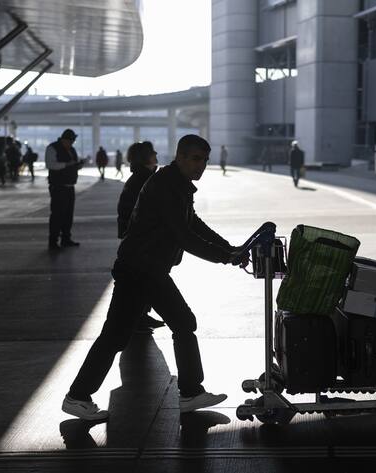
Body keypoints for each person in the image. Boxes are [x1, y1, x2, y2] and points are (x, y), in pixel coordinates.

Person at [62, 134, 249, 421]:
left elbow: (193, 223)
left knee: (135, 332)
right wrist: (226, 256)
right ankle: (79, 396)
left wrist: (229, 248)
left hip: (147, 268)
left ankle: (189, 392)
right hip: (141, 270)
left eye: (205, 160)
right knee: (140, 331)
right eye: (196, 159)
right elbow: (184, 235)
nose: (201, 165)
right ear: (181, 156)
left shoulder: (177, 184)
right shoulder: (166, 186)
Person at [117, 141, 166, 333]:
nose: (156, 154)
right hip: (141, 239)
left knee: (142, 278)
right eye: (152, 152)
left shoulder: (141, 177)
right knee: (143, 279)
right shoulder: (145, 180)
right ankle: (136, 319)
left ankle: (141, 315)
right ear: (145, 157)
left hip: (137, 237)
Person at [46, 129, 85, 251]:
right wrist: (67, 164)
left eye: (73, 141)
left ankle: (66, 238)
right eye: (70, 141)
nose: (71, 144)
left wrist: (78, 165)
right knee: (57, 214)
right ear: (64, 140)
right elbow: (50, 165)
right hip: (58, 186)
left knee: (68, 214)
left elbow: (72, 165)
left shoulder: (72, 150)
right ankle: (53, 241)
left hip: (70, 186)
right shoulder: (52, 148)